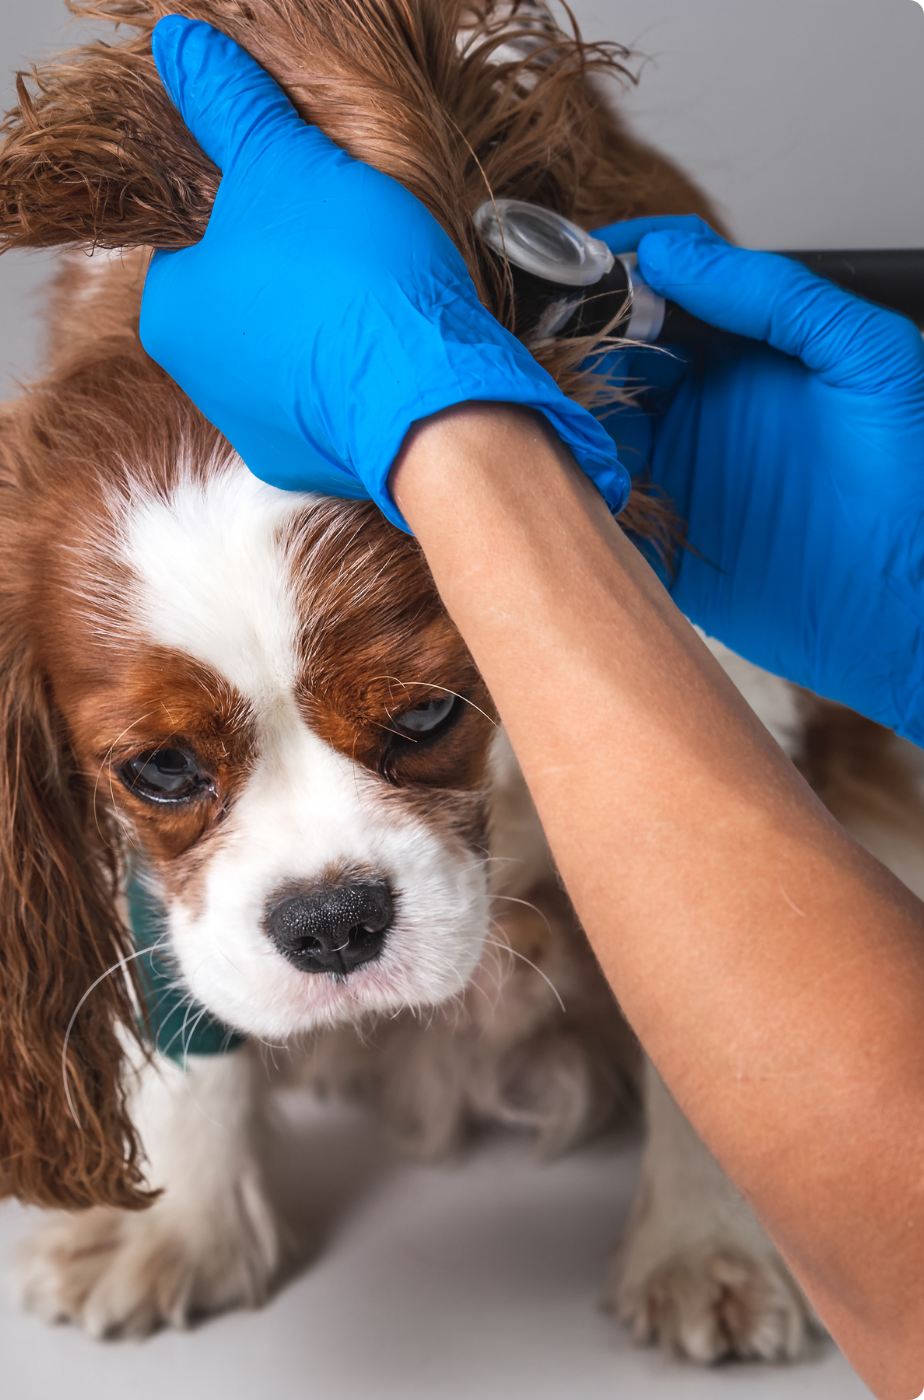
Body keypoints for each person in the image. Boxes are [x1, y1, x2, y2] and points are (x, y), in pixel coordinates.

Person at [139, 17, 924, 1398]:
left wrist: (456, 438)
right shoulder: (139, 285)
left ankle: (709, 1189)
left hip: (679, 947)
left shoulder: (579, 192)